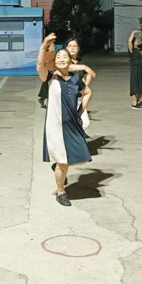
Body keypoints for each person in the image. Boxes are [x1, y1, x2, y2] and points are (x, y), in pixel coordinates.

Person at [38, 33, 95, 207]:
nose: (61, 59)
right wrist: (44, 46)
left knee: (72, 158)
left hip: (72, 123)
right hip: (55, 126)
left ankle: (59, 172)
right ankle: (61, 191)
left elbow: (88, 93)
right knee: (62, 162)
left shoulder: (76, 78)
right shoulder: (50, 76)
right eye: (58, 57)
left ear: (70, 61)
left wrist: (80, 111)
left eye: (64, 57)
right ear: (55, 62)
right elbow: (40, 66)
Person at [65, 38, 91, 130]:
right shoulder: (64, 61)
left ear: (78, 49)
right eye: (70, 46)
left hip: (79, 97)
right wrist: (83, 67)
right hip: (66, 97)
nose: (72, 48)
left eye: (75, 46)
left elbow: (88, 74)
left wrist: (86, 83)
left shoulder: (81, 61)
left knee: (85, 123)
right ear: (66, 48)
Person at [128, 29, 142, 109]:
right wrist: (133, 32)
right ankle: (134, 103)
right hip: (135, 69)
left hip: (141, 69)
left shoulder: (139, 49)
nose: (137, 41)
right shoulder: (132, 50)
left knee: (141, 86)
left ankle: (137, 102)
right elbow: (129, 41)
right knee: (135, 86)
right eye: (136, 40)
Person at [37, 41, 56, 109]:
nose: (54, 47)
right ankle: (46, 101)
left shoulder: (44, 54)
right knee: (50, 88)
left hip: (46, 72)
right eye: (52, 46)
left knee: (46, 86)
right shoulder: (53, 54)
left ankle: (42, 99)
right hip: (51, 72)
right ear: (48, 48)